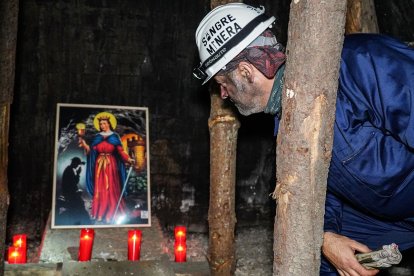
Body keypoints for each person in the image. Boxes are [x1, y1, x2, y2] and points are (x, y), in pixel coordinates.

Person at [193, 3, 414, 276]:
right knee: (322, 252)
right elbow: (323, 188)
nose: (223, 94)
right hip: (392, 216)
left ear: (245, 72)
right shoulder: (285, 124)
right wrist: (326, 236)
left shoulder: (360, 62)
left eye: (222, 83)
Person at [79, 112, 134, 223]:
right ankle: (100, 213)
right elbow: (92, 151)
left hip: (110, 165)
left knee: (110, 189)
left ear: (109, 124)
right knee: (100, 189)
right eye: (100, 124)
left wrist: (128, 159)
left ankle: (110, 213)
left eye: (104, 123)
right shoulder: (97, 137)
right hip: (99, 165)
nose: (102, 126)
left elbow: (120, 151)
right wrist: (85, 145)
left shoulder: (114, 137)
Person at [57, 157, 91, 225]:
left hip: (71, 192)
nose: (77, 166)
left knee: (81, 204)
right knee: (81, 206)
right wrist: (78, 174)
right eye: (77, 164)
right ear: (74, 163)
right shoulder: (69, 170)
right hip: (70, 194)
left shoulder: (70, 169)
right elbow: (74, 182)